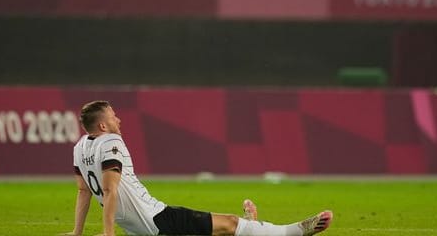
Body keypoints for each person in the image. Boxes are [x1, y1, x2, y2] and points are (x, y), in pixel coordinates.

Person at [61, 100, 333, 236]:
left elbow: (83, 193)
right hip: (157, 219)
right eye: (113, 117)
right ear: (103, 126)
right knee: (229, 224)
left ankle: (252, 225)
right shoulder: (112, 141)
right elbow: (109, 191)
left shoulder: (80, 147)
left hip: (137, 227)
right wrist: (108, 234)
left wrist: (77, 232)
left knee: (219, 230)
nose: (118, 119)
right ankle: (295, 230)